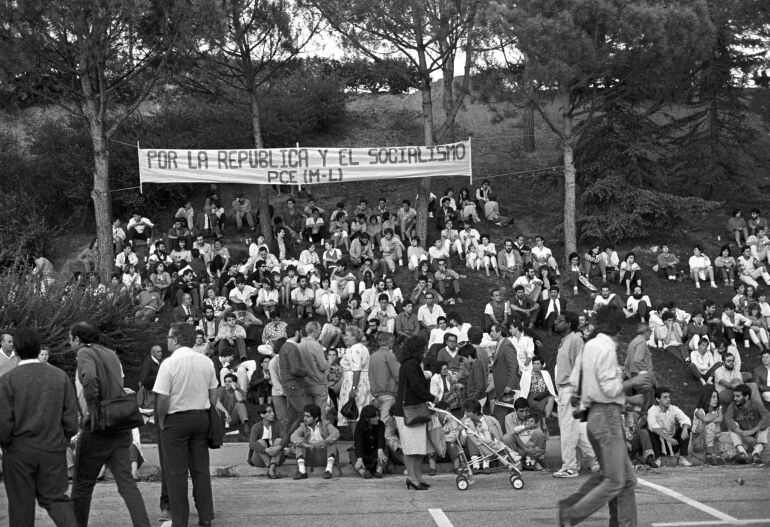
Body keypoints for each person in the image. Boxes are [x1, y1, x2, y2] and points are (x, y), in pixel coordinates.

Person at [557, 306, 652, 527]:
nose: (622, 334)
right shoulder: (607, 348)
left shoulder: (589, 345)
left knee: (625, 480)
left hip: (595, 418)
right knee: (617, 480)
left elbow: (580, 384)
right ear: (615, 326)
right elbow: (609, 389)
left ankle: (610, 520)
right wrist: (634, 383)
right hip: (607, 418)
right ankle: (572, 513)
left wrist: (627, 401)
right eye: (621, 328)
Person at [69, 322, 150, 527]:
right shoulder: (109, 353)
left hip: (99, 426)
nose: (69, 342)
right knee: (126, 484)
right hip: (120, 425)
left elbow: (89, 379)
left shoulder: (84, 353)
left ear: (77, 340)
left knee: (82, 485)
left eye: (70, 338)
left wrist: (93, 409)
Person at [0, 329, 79, 527]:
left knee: (20, 507)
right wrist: (63, 440)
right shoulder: (59, 377)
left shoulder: (7, 380)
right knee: (56, 499)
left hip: (19, 452)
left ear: (16, 349)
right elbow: (71, 418)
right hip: (52, 449)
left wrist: (7, 445)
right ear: (38, 349)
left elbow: (3, 422)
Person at [153, 322, 217, 527]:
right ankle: (206, 516)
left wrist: (161, 420)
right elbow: (214, 393)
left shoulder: (169, 364)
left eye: (169, 337)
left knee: (176, 472)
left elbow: (162, 398)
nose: (167, 340)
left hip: (176, 420)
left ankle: (179, 520)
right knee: (200, 469)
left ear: (177, 338)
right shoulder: (206, 361)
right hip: (200, 417)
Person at [552, 312, 597, 478]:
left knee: (568, 430)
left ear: (569, 323)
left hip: (571, 389)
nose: (556, 323)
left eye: (560, 321)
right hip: (564, 389)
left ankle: (570, 467)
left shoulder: (575, 340)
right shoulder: (565, 340)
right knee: (575, 432)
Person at [393, 335, 436, 490]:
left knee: (418, 447)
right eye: (424, 348)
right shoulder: (412, 364)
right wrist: (432, 397)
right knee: (411, 447)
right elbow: (416, 386)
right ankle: (412, 477)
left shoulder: (410, 363)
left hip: (411, 410)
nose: (426, 350)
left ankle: (417, 476)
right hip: (408, 411)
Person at [290, 403, 340, 479]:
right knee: (300, 443)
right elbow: (293, 436)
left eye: (308, 416)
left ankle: (328, 471)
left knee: (331, 441)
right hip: (309, 457)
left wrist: (324, 442)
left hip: (324, 457)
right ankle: (302, 471)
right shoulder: (303, 426)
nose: (304, 419)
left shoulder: (325, 424)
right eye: (304, 416)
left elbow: (336, 433)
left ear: (316, 418)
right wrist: (305, 444)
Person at [646, 387, 693, 467]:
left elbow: (685, 419)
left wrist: (685, 428)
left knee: (686, 428)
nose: (668, 399)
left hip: (673, 443)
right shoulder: (652, 410)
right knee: (652, 432)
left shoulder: (673, 409)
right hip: (660, 443)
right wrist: (667, 438)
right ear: (658, 399)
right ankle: (658, 459)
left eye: (669, 397)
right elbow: (652, 425)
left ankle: (682, 458)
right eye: (665, 397)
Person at [724, 383, 770, 464]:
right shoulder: (733, 405)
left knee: (765, 425)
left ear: (746, 397)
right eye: (734, 396)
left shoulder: (756, 404)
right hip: (742, 440)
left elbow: (766, 416)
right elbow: (727, 419)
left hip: (757, 440)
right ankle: (742, 454)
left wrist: (753, 431)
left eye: (738, 396)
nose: (735, 398)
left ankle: (756, 454)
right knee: (732, 424)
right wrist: (743, 434)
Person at [337, 326, 371, 428]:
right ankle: (361, 441)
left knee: (353, 412)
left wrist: (353, 388)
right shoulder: (363, 348)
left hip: (354, 381)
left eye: (347, 335)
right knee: (361, 411)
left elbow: (357, 370)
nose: (344, 337)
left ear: (354, 337)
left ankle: (357, 441)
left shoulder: (354, 349)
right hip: (364, 381)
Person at [488, 324, 520, 424]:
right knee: (508, 417)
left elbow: (514, 366)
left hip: (507, 388)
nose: (490, 333)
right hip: (501, 387)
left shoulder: (506, 345)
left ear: (499, 333)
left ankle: (502, 438)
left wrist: (509, 385)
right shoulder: (499, 344)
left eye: (492, 331)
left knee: (501, 416)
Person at [248, 404, 286, 478]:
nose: (273, 414)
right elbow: (252, 444)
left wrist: (278, 448)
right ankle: (271, 466)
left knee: (279, 440)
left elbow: (286, 438)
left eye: (272, 412)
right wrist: (265, 450)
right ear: (262, 415)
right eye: (269, 412)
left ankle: (271, 468)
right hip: (259, 460)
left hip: (276, 456)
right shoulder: (256, 427)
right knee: (260, 442)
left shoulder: (278, 425)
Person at [368, 332, 400, 421]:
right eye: (392, 342)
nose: (393, 344)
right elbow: (397, 375)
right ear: (389, 342)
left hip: (375, 393)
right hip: (388, 392)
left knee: (377, 420)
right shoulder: (390, 355)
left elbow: (370, 374)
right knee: (386, 421)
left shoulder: (373, 356)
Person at [691, 386, 725, 465]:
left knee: (730, 437)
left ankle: (721, 457)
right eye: (713, 397)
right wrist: (717, 414)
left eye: (716, 397)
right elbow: (705, 419)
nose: (716, 399)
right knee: (711, 425)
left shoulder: (716, 409)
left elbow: (720, 421)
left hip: (714, 439)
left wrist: (711, 418)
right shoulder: (698, 411)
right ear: (706, 398)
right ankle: (710, 454)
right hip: (698, 441)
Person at [353, 405, 389, 478]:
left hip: (376, 453)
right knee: (352, 452)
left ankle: (379, 470)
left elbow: (381, 437)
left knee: (385, 449)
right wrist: (359, 458)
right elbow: (358, 443)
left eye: (378, 415)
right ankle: (363, 472)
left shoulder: (380, 424)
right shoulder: (359, 427)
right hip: (364, 454)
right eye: (374, 417)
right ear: (367, 418)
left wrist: (380, 449)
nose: (378, 418)